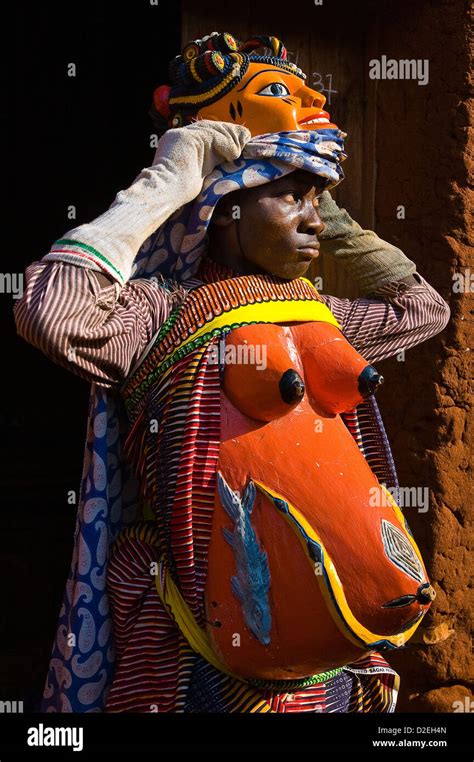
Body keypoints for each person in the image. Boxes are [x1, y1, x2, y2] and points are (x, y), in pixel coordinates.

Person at [14, 33, 450, 713]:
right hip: (197, 662)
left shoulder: (317, 315)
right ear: (225, 209)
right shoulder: (160, 314)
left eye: (317, 200)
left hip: (331, 660)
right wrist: (168, 184)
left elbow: (423, 309)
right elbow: (51, 311)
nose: (311, 217)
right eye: (289, 197)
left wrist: (321, 210)